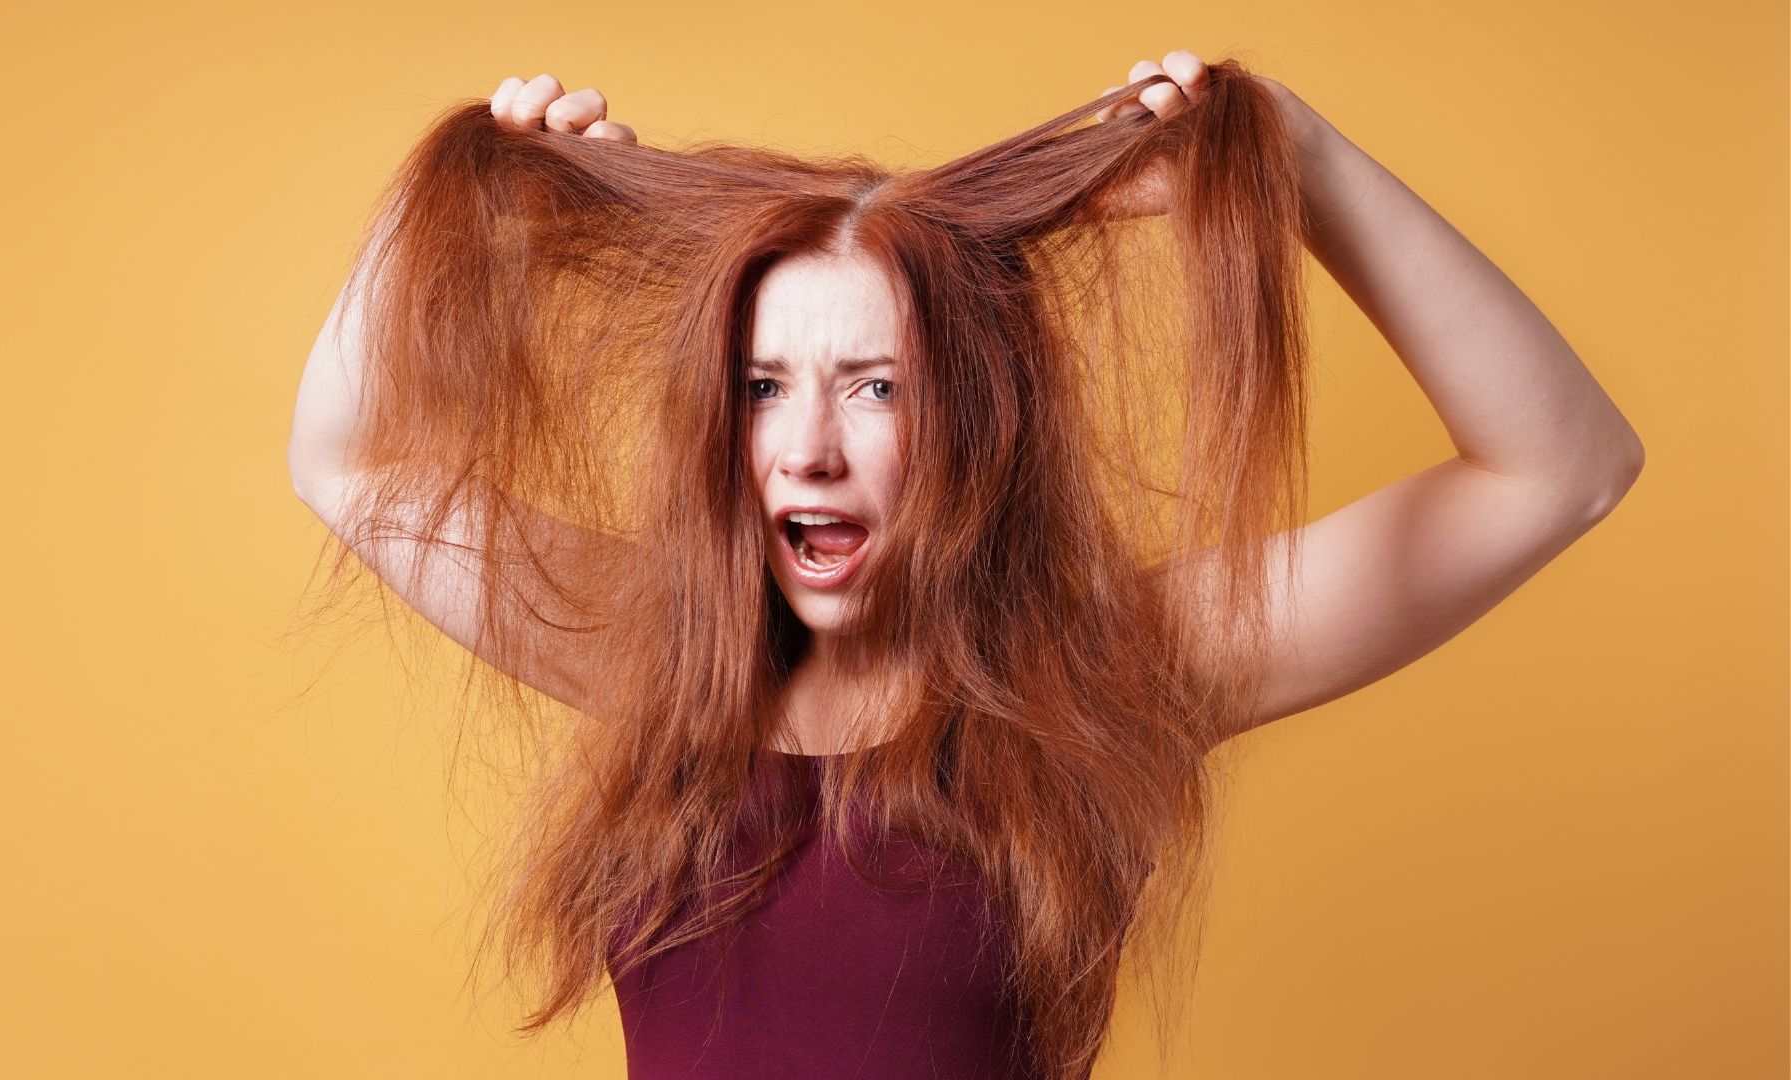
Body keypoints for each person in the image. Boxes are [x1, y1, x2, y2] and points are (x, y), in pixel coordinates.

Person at [287, 50, 1643, 1080]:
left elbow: (1561, 468)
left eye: (874, 388)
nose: (807, 448)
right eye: (766, 385)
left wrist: (1296, 160)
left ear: (980, 421)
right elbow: (347, 466)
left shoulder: (1109, 677)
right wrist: (472, 199)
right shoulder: (654, 654)